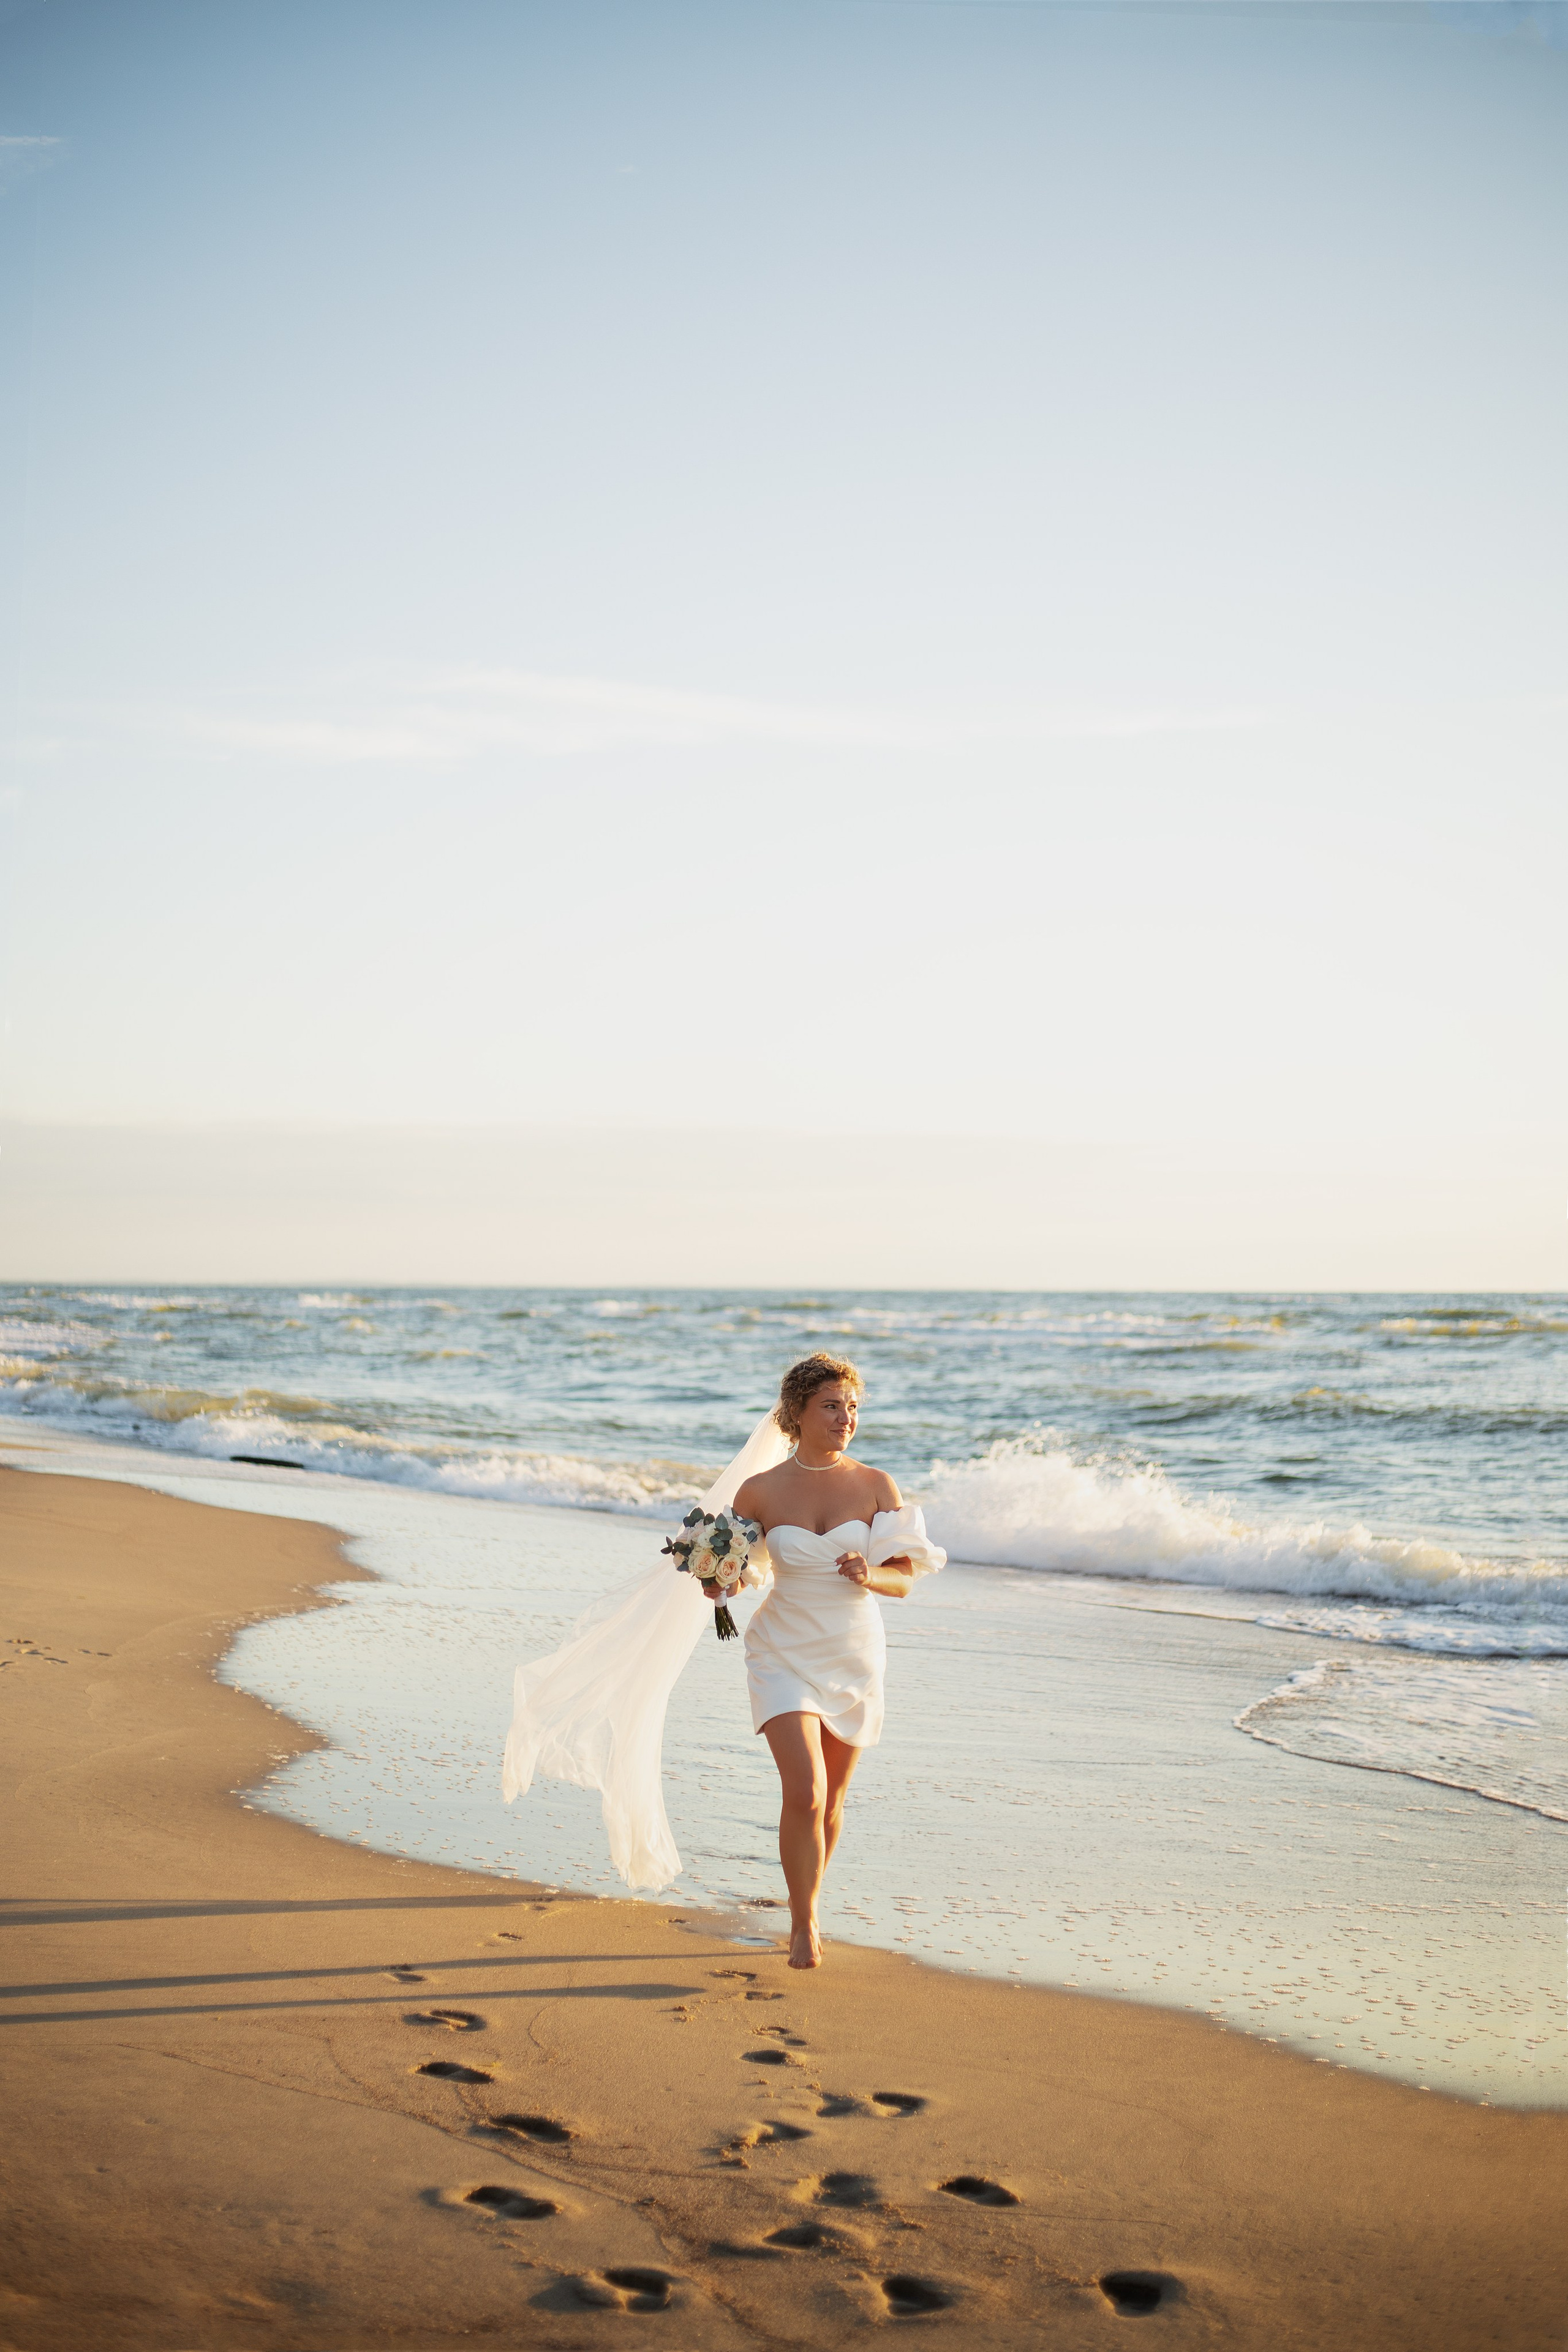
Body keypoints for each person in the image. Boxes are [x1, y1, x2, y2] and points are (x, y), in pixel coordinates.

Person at [730, 1353, 945, 1969]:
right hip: (780, 1651)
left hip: (852, 1652)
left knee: (832, 1801)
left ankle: (809, 1904)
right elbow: (739, 1571)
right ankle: (804, 1925)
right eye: (831, 1405)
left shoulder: (876, 1485)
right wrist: (718, 1580)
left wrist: (870, 1572)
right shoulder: (759, 1490)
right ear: (796, 1411)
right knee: (804, 1793)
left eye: (852, 1407)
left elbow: (905, 1580)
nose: (845, 1417)